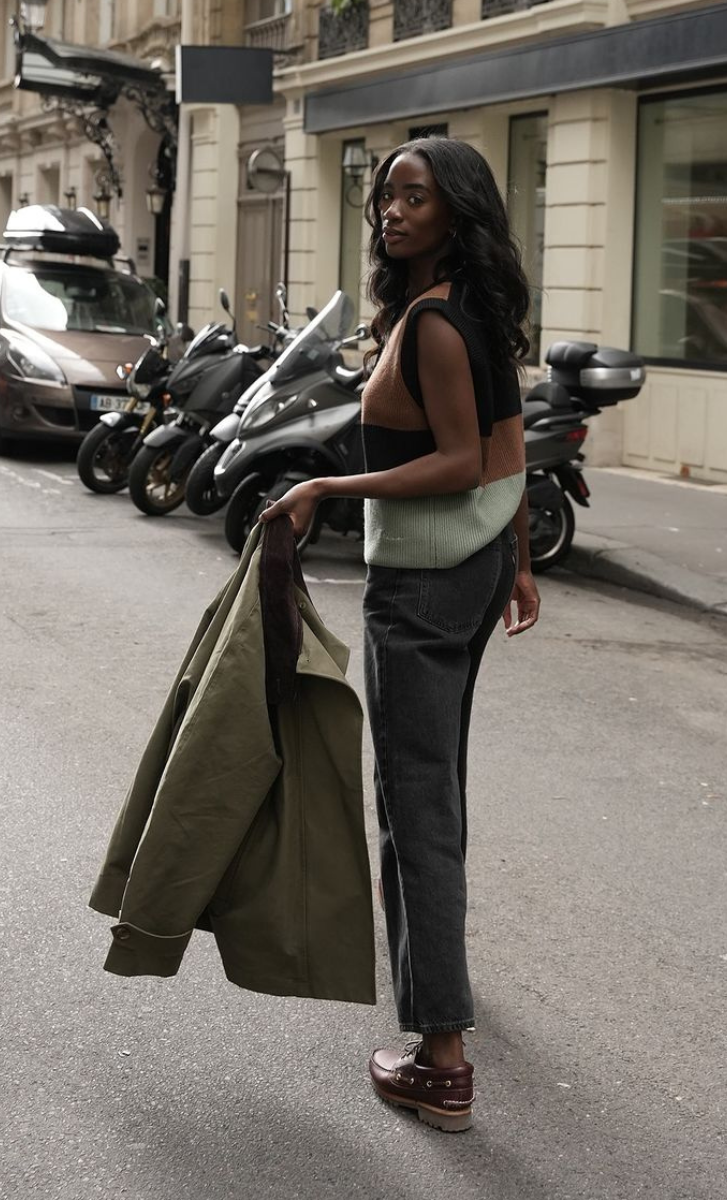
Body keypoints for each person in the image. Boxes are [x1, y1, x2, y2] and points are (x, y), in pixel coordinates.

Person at [259, 136, 540, 1132]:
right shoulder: (473, 307)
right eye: (385, 196)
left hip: (420, 585)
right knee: (439, 789)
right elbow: (509, 449)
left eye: (414, 196)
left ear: (455, 210)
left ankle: (443, 1058)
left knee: (411, 806)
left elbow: (464, 459)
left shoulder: (432, 324)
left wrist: (329, 483)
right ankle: (443, 987)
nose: (392, 209)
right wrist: (514, 557)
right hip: (464, 576)